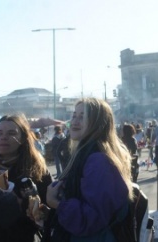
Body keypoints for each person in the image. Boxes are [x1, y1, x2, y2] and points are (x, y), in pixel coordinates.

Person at [45, 98, 132, 241]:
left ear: (98, 123)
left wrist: (57, 204)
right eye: (74, 115)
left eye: (82, 116)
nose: (75, 121)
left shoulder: (98, 161)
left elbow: (91, 219)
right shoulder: (85, 154)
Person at [0, 114, 54, 242]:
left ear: (23, 138)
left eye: (11, 133)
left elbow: (48, 212)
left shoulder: (37, 171)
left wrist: (23, 205)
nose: (4, 138)